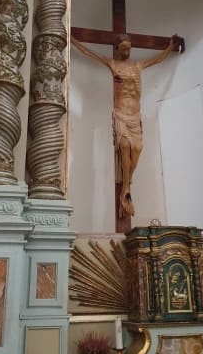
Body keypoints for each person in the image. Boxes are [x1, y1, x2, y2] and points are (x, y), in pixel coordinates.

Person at [71, 33, 184, 218]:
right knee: (124, 145)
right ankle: (125, 190)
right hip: (121, 113)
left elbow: (157, 59)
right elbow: (89, 53)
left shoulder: (138, 66)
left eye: (129, 49)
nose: (127, 52)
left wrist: (170, 47)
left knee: (137, 148)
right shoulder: (113, 64)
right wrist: (73, 40)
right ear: (117, 49)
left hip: (135, 115)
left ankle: (126, 186)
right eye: (124, 49)